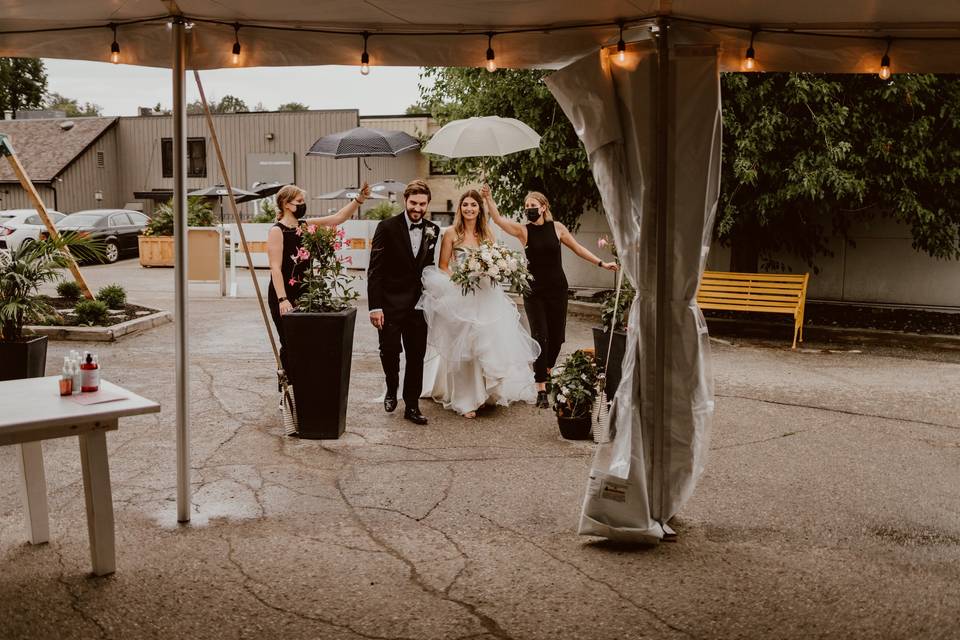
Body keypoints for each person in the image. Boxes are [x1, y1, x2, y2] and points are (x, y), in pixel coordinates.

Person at [481, 185, 618, 408]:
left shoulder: (558, 228)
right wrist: (489, 198)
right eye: (526, 207)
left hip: (557, 290)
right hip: (534, 293)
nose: (529, 210)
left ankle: (546, 369)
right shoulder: (524, 231)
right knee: (541, 336)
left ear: (543, 208)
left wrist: (602, 263)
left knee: (557, 339)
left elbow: (578, 249)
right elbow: (498, 220)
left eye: (533, 206)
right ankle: (541, 387)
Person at [417, 190, 540, 418]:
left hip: (486, 295)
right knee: (466, 347)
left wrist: (496, 269)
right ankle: (466, 400)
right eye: (466, 205)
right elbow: (444, 265)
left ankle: (485, 393)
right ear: (460, 208)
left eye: (474, 205)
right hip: (461, 294)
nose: (469, 209)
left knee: (487, 344)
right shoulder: (451, 233)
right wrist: (458, 279)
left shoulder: (487, 234)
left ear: (479, 209)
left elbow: (497, 260)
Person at [267, 182, 370, 382]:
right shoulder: (277, 231)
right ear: (286, 204)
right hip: (284, 295)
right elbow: (275, 268)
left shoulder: (305, 226)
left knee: (306, 342)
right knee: (289, 343)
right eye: (299, 201)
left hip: (307, 292)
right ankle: (288, 389)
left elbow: (338, 218)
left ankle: (304, 385)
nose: (303, 204)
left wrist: (360, 199)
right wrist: (282, 299)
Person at [367, 179, 441, 425]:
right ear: (405, 201)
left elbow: (430, 268)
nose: (417, 208)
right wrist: (375, 306)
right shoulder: (386, 227)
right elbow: (374, 271)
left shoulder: (433, 230)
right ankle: (391, 388)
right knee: (389, 351)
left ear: (427, 204)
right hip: (389, 304)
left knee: (416, 356)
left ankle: (412, 405)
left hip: (419, 306)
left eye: (422, 204)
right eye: (413, 203)